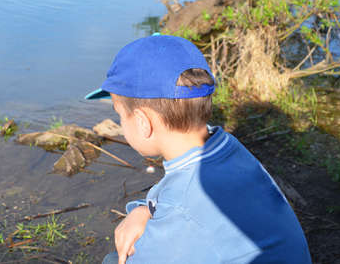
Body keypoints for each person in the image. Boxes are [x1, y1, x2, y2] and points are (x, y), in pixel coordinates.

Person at [85, 34, 312, 264]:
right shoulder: (227, 147)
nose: (120, 123)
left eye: (120, 114)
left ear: (144, 123)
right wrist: (143, 210)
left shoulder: (182, 206)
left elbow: (178, 211)